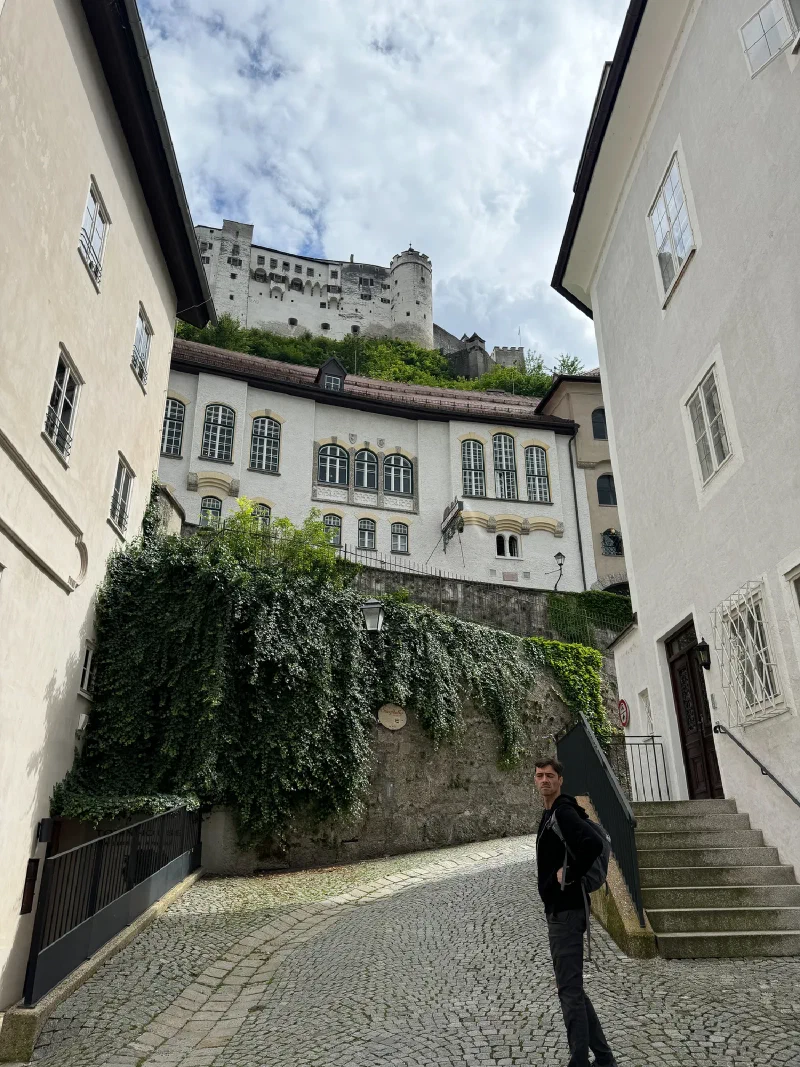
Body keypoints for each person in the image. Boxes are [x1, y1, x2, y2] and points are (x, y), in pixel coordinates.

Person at [534, 757, 617, 1067]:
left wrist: (568, 875)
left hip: (567, 911)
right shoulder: (550, 812)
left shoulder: (564, 811)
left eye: (550, 776)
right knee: (572, 989)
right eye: (540, 775)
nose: (544, 780)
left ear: (560, 780)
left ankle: (579, 1061)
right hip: (561, 910)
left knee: (569, 991)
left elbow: (592, 844)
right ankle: (605, 1059)